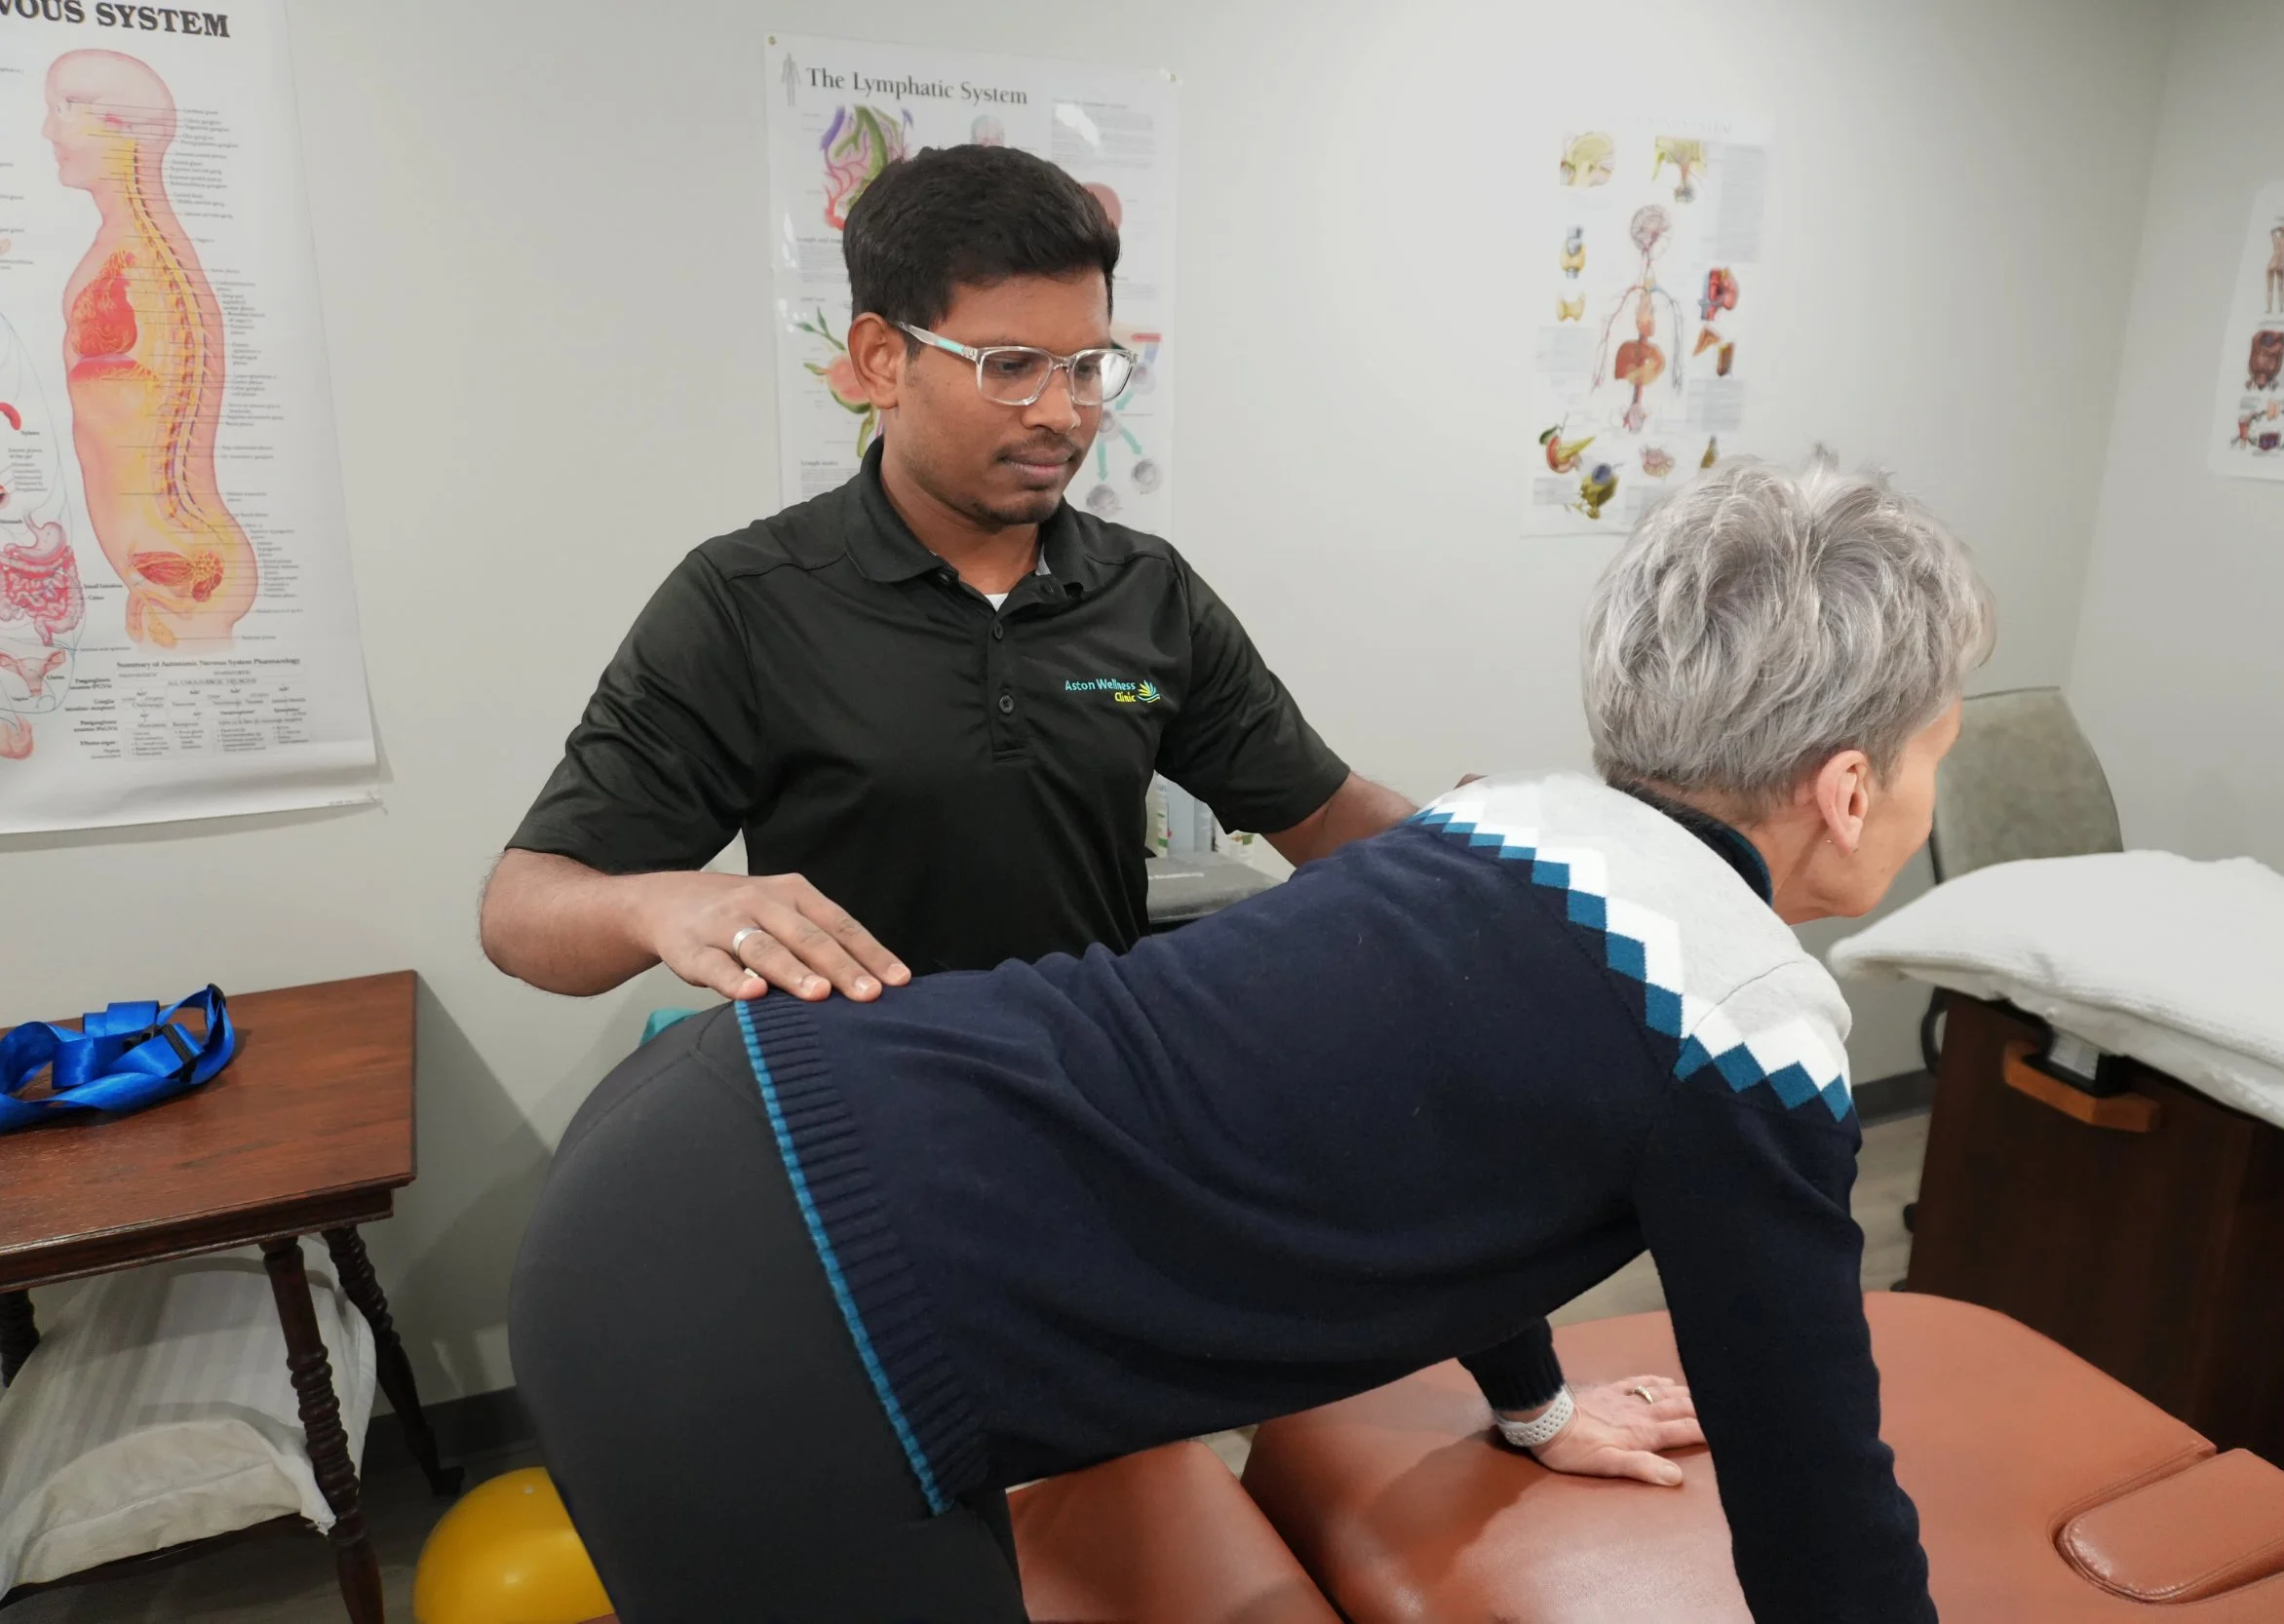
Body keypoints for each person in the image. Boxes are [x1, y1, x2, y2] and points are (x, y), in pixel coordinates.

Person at [511, 457, 1993, 1624]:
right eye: (1940, 745)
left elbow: (1447, 1129)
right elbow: (1818, 1503)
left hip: (709, 1125)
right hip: (754, 1317)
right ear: (1849, 787)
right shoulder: (1746, 1019)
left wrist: (1532, 1404)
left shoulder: (1506, 825)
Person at [480, 145, 1411, 1004]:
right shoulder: (747, 601)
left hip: (1090, 1081)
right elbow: (522, 913)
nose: (1062, 413)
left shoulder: (1146, 590)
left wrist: (1475, 842)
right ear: (882, 361)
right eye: (1011, 366)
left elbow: (1327, 816)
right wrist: (663, 903)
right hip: (865, 1093)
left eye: (1087, 367)